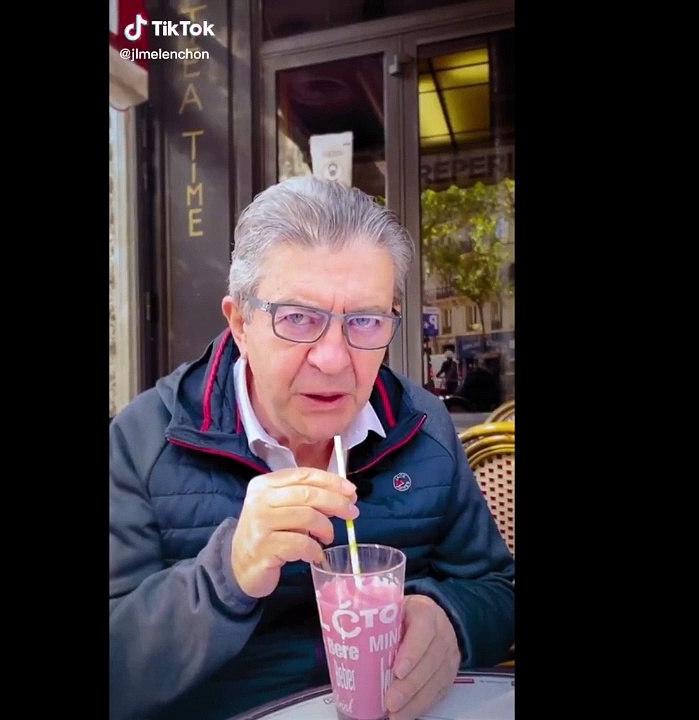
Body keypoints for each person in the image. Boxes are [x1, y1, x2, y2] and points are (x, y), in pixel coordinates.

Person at [109, 177, 515, 720]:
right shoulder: (144, 441)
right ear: (240, 324)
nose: (332, 358)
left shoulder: (423, 429)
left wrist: (452, 622)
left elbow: (497, 589)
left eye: (365, 321)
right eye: (298, 318)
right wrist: (225, 576)